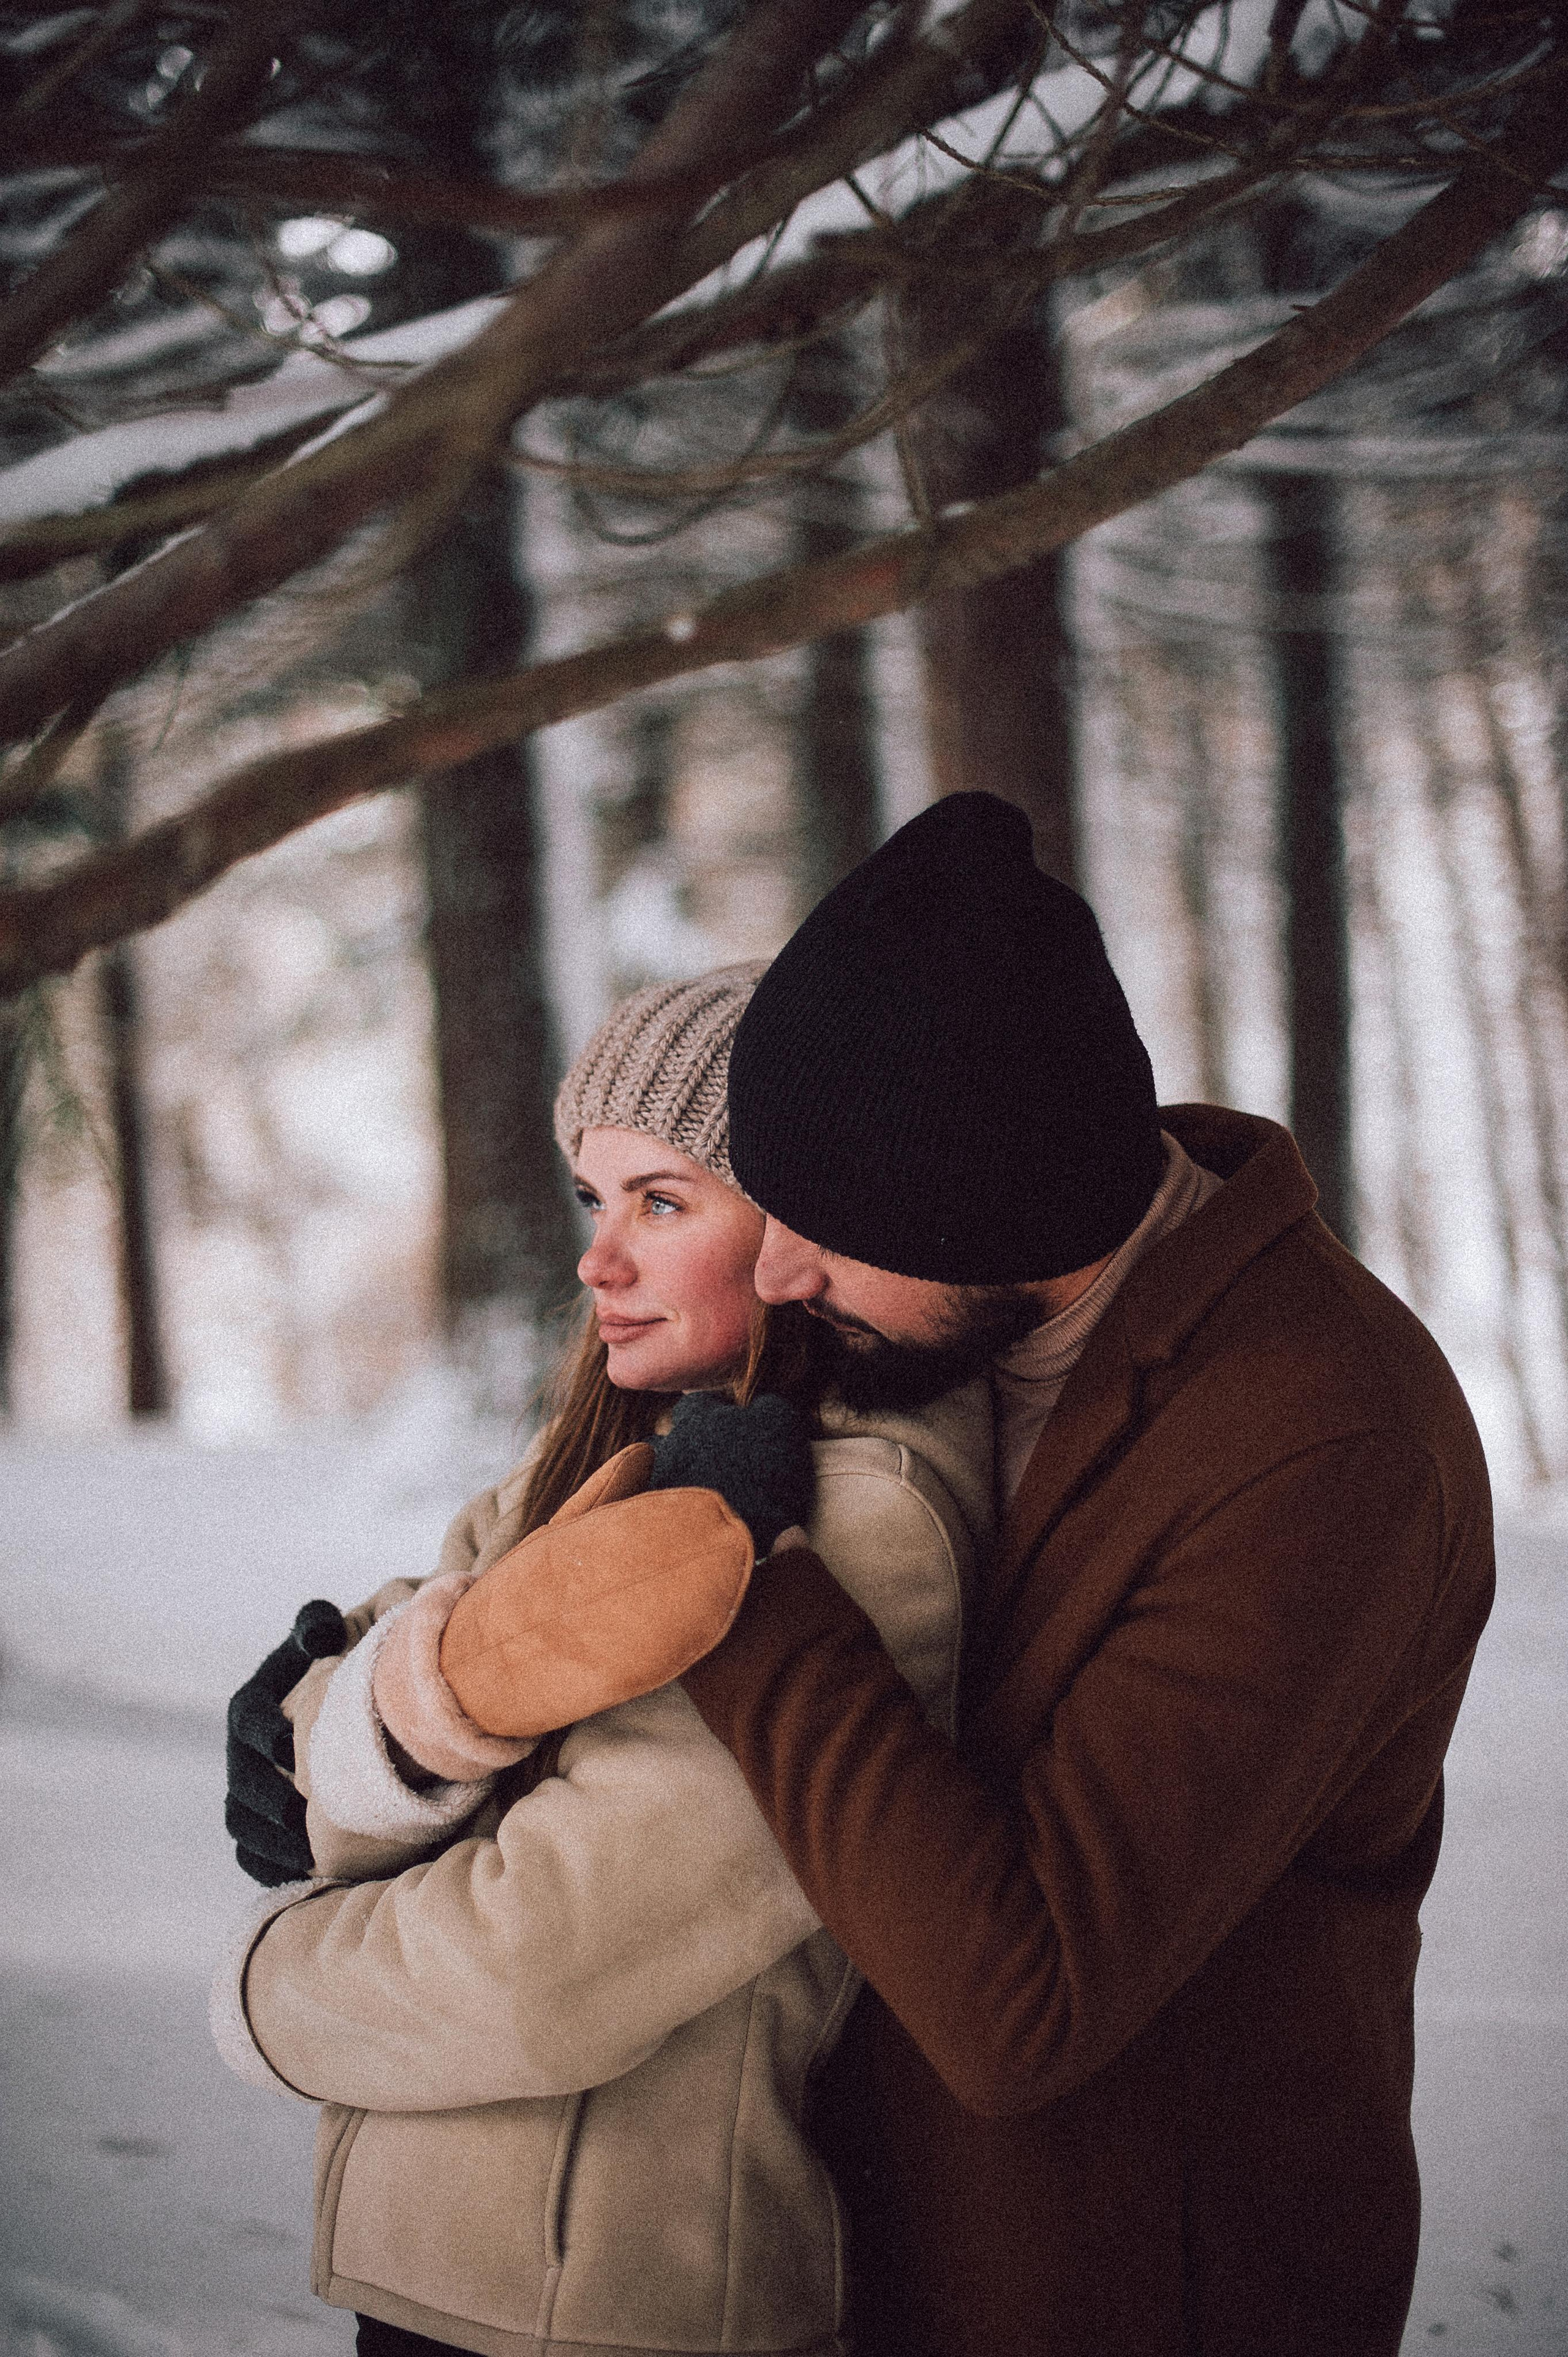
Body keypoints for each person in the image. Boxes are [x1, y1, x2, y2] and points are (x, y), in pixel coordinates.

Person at [671, 792, 1495, 2357]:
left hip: (1124, 2292)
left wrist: (737, 1590)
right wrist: (362, 1694)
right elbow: (598, 1481)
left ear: (990, 1203)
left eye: (825, 1225)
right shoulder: (925, 1314)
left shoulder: (1326, 1445)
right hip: (847, 2260)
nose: (776, 1270)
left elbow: (1020, 2000)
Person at [213, 962, 995, 2357]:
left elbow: (541, 1971)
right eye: (594, 1196)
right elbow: (351, 1727)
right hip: (459, 2284)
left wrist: (262, 1988)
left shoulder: (847, 1520)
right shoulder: (602, 1462)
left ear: (803, 1220)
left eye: (663, 1200)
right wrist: (340, 1736)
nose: (598, 1259)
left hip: (616, 2314)